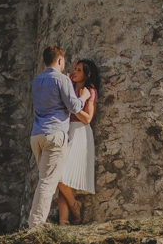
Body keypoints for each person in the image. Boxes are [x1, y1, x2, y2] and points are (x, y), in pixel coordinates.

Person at [27, 45, 90, 228]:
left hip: (36, 135)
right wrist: (84, 97)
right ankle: (36, 224)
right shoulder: (62, 80)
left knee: (46, 179)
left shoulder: (36, 80)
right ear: (60, 61)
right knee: (48, 181)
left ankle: (67, 208)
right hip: (54, 135)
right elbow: (74, 107)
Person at [56, 59, 100, 225]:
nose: (74, 71)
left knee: (61, 177)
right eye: (74, 68)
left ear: (87, 74)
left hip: (79, 132)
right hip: (64, 131)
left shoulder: (89, 91)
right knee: (61, 178)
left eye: (79, 70)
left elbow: (87, 118)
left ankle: (75, 206)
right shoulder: (69, 89)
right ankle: (64, 222)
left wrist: (74, 106)